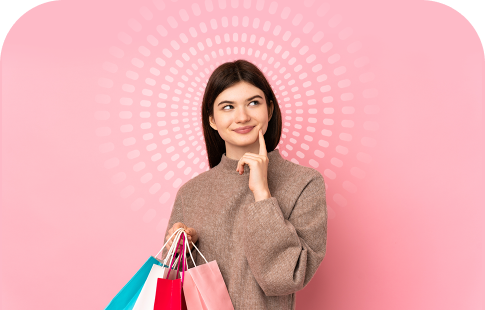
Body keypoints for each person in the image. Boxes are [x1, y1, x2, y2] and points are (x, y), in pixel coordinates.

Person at [161, 59, 327, 309]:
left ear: (269, 110)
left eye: (253, 103)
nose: (242, 116)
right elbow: (176, 284)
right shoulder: (191, 193)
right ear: (212, 120)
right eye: (228, 107)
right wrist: (180, 249)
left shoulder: (304, 183)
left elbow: (283, 279)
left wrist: (262, 193)